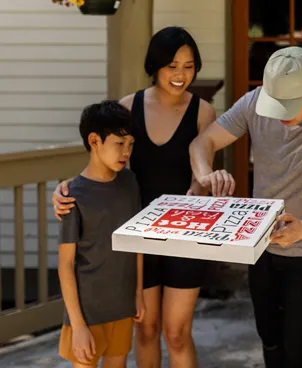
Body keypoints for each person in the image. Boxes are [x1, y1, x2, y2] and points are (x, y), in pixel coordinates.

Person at [52, 27, 216, 368]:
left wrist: (203, 190)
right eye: (172, 65)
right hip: (138, 239)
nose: (180, 74)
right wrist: (66, 187)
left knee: (177, 333)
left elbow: (202, 177)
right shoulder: (129, 107)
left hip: (184, 236)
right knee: (145, 330)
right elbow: (105, 164)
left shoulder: (203, 112)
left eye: (189, 66)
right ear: (155, 65)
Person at [189, 46, 302, 367]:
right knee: (270, 343)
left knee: (301, 353)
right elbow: (203, 143)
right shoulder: (255, 103)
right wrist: (206, 176)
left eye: (289, 107)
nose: (281, 115)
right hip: (260, 247)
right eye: (276, 105)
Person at [57, 100, 145, 368]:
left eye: (130, 144)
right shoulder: (73, 195)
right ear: (94, 141)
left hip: (122, 304)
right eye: (119, 143)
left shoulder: (130, 182)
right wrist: (78, 325)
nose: (126, 151)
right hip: (86, 312)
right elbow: (66, 264)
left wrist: (138, 293)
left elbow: (135, 241)